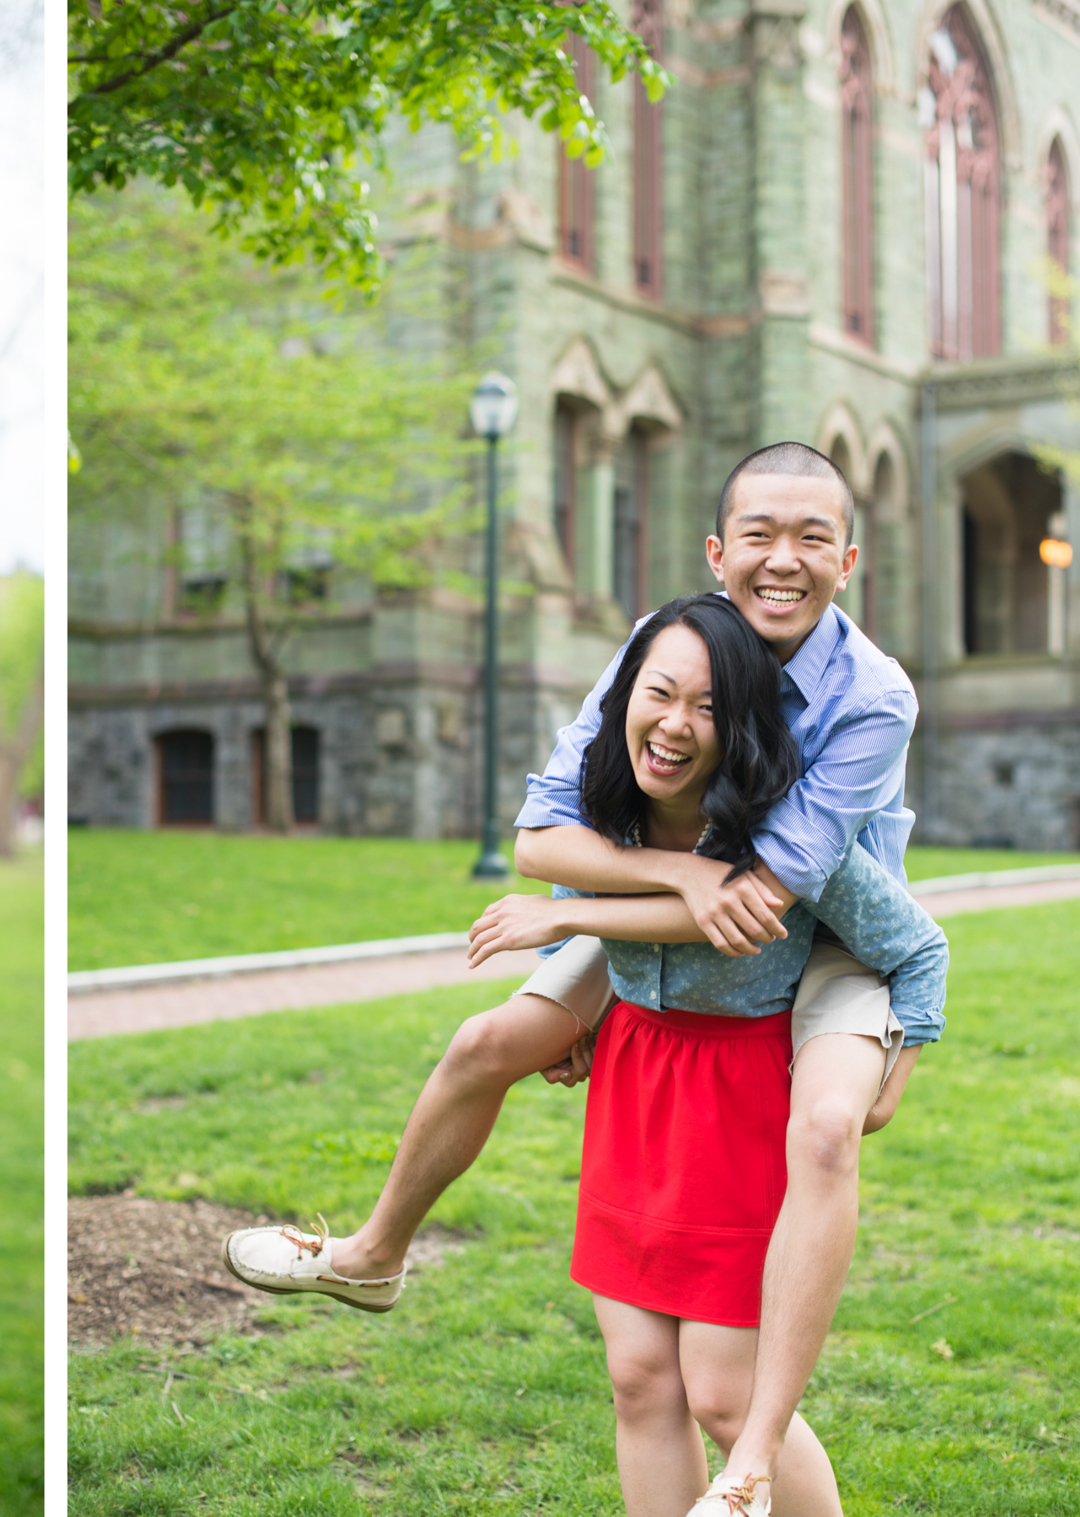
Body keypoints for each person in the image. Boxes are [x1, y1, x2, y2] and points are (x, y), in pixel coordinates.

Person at [224, 443, 923, 1500]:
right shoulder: (668, 649)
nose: (782, 559)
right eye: (758, 535)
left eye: (810, 537)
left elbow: (758, 894)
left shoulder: (870, 695)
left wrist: (578, 918)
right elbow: (547, 829)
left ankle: (748, 1461)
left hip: (828, 932)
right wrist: (641, 917)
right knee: (489, 1044)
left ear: (848, 557)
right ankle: (372, 1252)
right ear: (715, 549)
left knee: (821, 1135)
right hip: (671, 911)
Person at [467, 595, 946, 1516]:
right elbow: (592, 912)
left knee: (724, 1391)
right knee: (642, 1378)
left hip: (743, 1094)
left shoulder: (791, 837)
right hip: (641, 1086)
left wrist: (895, 1070)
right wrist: (585, 1006)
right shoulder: (614, 817)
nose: (678, 726)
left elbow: (916, 946)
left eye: (712, 709)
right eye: (661, 695)